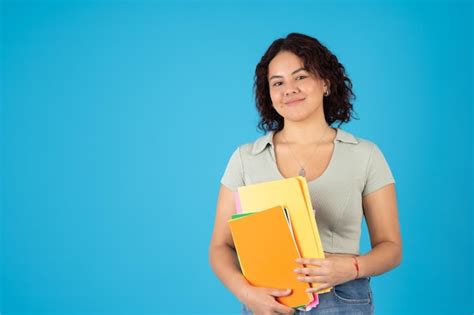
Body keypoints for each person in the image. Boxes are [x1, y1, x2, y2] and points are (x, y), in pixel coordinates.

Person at [209, 33, 402, 315]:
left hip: (343, 298)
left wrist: (352, 267)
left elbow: (391, 247)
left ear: (325, 82)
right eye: (278, 82)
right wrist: (247, 294)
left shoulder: (365, 155)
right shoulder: (245, 158)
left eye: (300, 77)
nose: (289, 89)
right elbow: (220, 245)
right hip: (269, 302)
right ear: (270, 94)